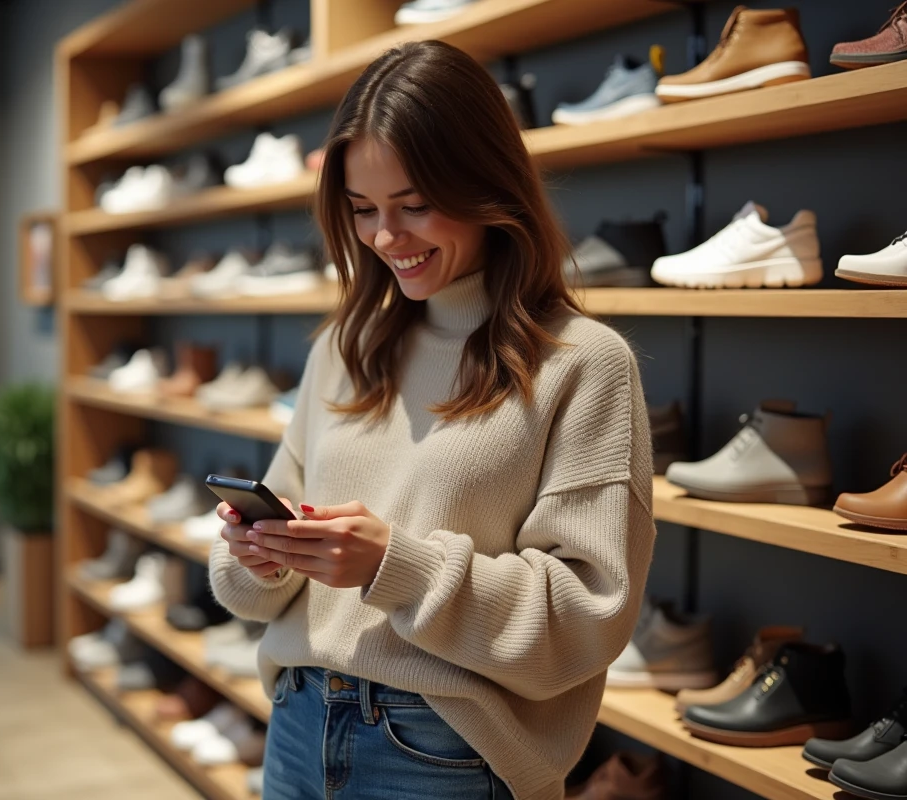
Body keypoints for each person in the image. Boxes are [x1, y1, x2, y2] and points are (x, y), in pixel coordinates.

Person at [209, 40, 656, 800]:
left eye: (415, 205)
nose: (386, 239)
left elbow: (587, 615)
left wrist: (396, 567)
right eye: (362, 211)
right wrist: (260, 554)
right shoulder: (345, 349)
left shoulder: (584, 363)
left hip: (442, 751)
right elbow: (255, 586)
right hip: (295, 720)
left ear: (487, 183)